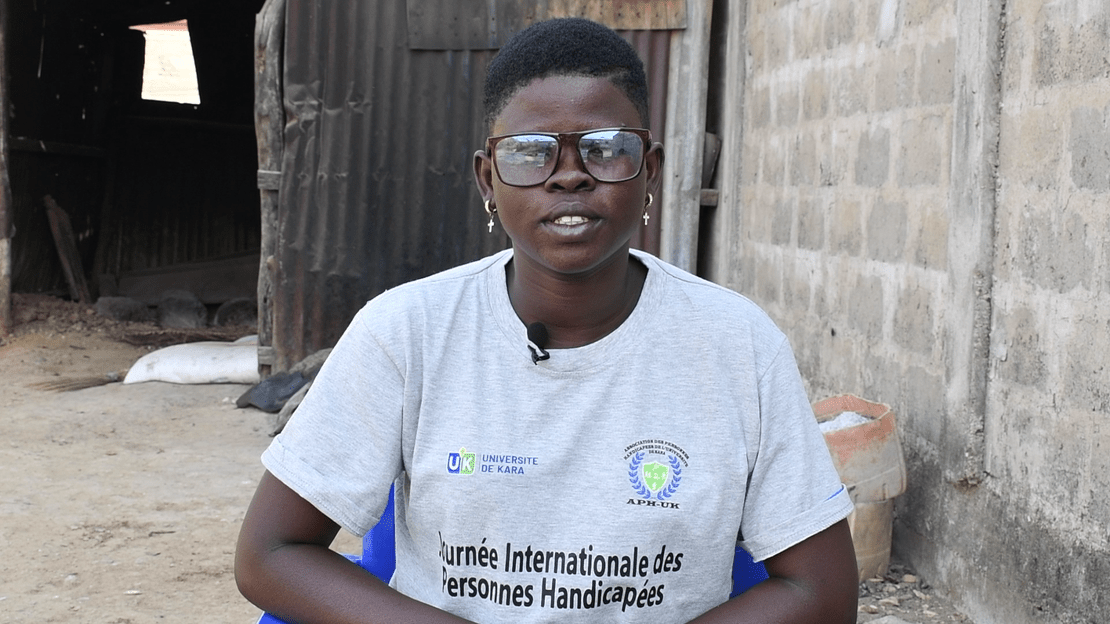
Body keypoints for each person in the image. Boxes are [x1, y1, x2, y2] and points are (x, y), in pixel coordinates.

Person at [235, 17, 857, 624]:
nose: (569, 175)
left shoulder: (737, 344)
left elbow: (821, 591)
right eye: (531, 153)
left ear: (651, 173)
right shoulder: (407, 333)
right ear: (488, 180)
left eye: (607, 149)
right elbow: (270, 554)